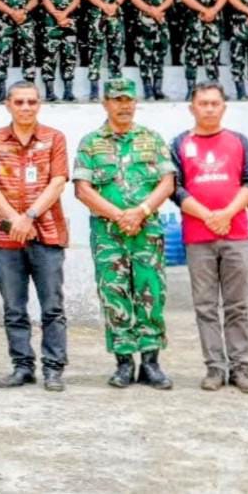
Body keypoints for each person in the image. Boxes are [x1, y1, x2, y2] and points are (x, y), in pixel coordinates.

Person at [72, 77, 175, 390]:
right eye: (117, 100)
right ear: (105, 103)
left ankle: (151, 362)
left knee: (150, 291)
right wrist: (119, 216)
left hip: (146, 232)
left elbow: (167, 183)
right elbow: (83, 189)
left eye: (129, 99)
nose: (124, 105)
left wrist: (141, 211)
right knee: (114, 293)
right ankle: (124, 362)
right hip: (109, 234)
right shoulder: (91, 143)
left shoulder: (152, 139)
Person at [168, 83, 248, 393]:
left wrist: (227, 213)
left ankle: (241, 368)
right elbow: (175, 188)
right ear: (191, 107)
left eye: (214, 103)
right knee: (205, 306)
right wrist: (208, 216)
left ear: (224, 107)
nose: (209, 108)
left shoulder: (239, 141)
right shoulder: (180, 143)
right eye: (203, 103)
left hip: (235, 234)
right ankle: (215, 369)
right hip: (198, 237)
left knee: (237, 306)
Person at [0, 82, 69, 392]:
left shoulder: (54, 138)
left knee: (52, 307)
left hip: (47, 233)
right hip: (6, 237)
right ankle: (22, 367)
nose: (26, 107)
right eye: (19, 102)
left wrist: (28, 216)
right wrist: (14, 219)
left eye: (31, 101)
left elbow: (58, 182)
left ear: (39, 104)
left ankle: (53, 369)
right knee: (14, 307)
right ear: (8, 105)